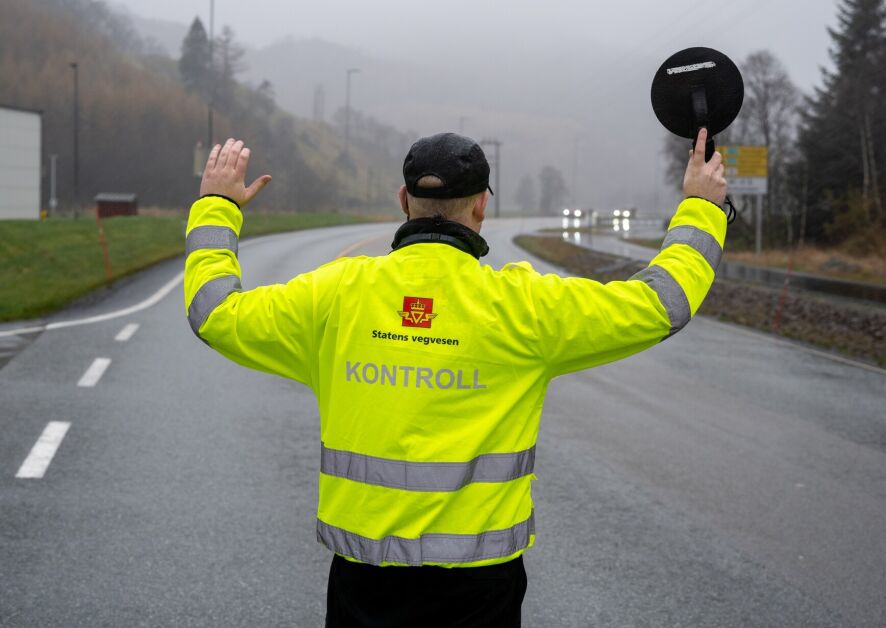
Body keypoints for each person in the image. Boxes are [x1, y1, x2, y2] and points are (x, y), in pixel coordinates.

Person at [184, 129, 727, 627]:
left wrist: (217, 206)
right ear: (481, 205)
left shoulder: (336, 295)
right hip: (480, 589)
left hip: (364, 582)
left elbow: (214, 313)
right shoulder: (524, 306)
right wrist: (701, 208)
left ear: (403, 201)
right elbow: (661, 304)